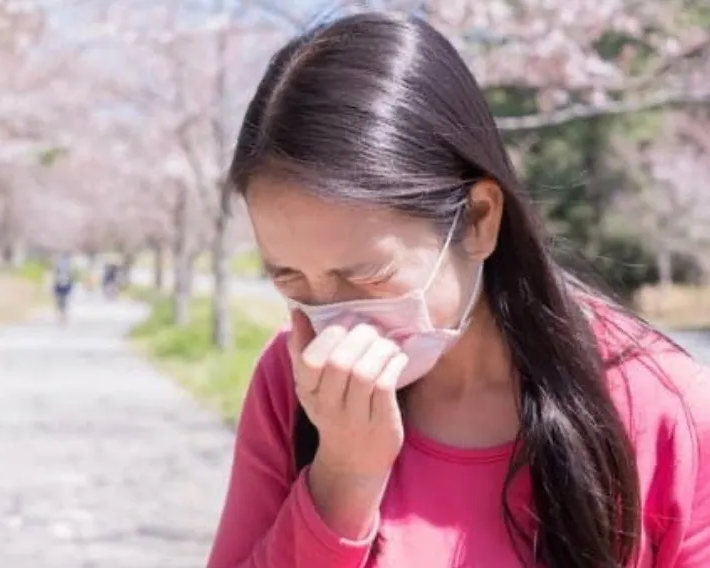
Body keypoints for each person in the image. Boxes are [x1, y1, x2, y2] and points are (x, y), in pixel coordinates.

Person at [207, 13, 710, 568]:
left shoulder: (661, 404)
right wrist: (344, 477)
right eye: (291, 280)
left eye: (367, 276)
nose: (337, 325)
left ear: (479, 220)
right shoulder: (292, 385)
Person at [52, 254, 75, 324]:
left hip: (64, 288)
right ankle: (62, 317)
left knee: (63, 303)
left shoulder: (67, 271)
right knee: (60, 304)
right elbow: (55, 281)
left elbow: (70, 281)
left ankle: (63, 317)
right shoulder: (59, 271)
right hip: (60, 288)